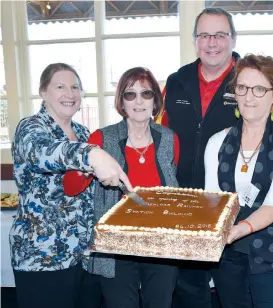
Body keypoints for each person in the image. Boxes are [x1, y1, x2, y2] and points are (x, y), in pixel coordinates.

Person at [10, 63, 132, 308]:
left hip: (84, 255)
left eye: (75, 87)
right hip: (43, 257)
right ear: (43, 92)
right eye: (60, 86)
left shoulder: (82, 131)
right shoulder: (31, 128)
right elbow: (42, 152)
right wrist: (91, 155)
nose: (70, 93)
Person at [63, 67, 179, 308]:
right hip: (117, 249)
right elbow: (70, 186)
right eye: (130, 94)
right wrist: (89, 167)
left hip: (160, 245)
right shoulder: (100, 139)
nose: (139, 101)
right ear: (121, 102)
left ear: (155, 100)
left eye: (146, 94)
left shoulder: (169, 139)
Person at [204, 54, 273, 308]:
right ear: (235, 93)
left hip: (270, 250)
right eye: (242, 87)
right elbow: (212, 200)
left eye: (259, 89)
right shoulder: (217, 142)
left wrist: (239, 229)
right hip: (227, 254)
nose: (249, 97)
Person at [156, 8, 240, 308]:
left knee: (236, 290)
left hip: (234, 206)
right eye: (205, 35)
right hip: (186, 205)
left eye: (220, 35)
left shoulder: (251, 80)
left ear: (233, 38)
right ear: (195, 41)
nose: (212, 43)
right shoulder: (176, 81)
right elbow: (157, 136)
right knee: (190, 290)